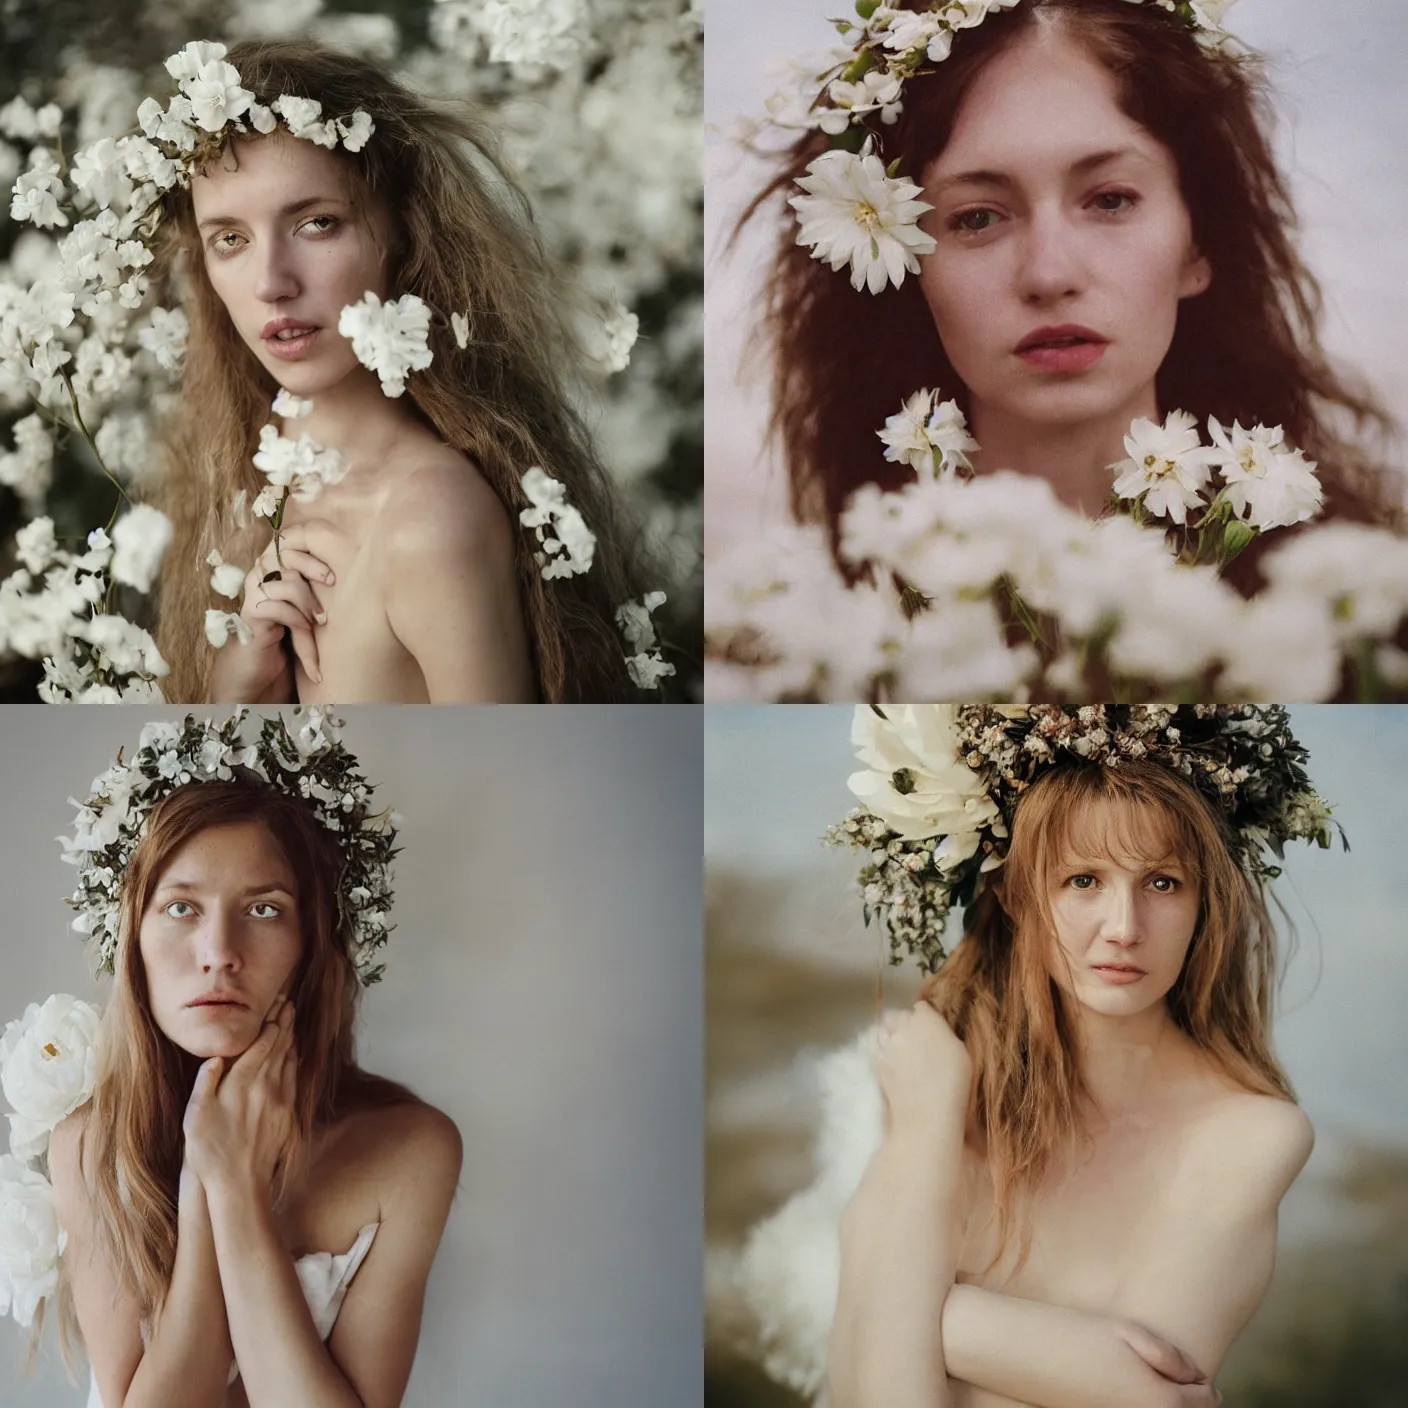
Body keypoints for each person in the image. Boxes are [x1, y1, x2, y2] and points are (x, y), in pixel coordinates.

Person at [739, 704, 1331, 1407]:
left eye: (1163, 883)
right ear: (1017, 894)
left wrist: (908, 1311)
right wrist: (927, 1134)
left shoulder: (1249, 1139)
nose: (1124, 929)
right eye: (1084, 881)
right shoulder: (935, 1081)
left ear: (1207, 903)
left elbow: (1154, 1400)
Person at [746, 0, 1399, 568]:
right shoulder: (829, 633)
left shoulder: (1358, 617)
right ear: (901, 263)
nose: (1048, 275)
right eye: (976, 217)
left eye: (1110, 200)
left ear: (1198, 243)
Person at [148, 39, 647, 703]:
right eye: (230, 239)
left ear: (404, 232)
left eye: (318, 223)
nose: (271, 283)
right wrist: (237, 704)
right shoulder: (231, 487)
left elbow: (502, 787)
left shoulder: (429, 521)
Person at [36, 715, 461, 1408]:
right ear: (133, 944)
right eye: (180, 908)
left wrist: (235, 1186)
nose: (218, 952)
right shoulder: (88, 1148)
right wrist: (209, 1175)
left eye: (263, 910)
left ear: (311, 944)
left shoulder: (409, 1150)